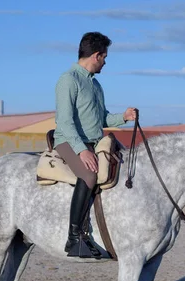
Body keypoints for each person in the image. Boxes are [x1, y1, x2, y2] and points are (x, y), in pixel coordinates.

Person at [54, 31, 137, 258]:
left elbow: (102, 119)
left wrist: (124, 117)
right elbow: (64, 121)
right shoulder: (68, 80)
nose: (105, 62)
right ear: (97, 56)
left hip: (94, 140)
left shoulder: (96, 85)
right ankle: (74, 238)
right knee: (89, 176)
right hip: (68, 141)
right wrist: (81, 150)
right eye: (105, 57)